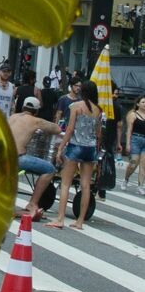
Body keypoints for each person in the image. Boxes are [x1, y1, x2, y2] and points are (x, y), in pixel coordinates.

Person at [49, 80, 102, 230]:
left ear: (82, 91)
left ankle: (60, 218)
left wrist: (61, 147)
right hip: (90, 148)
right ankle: (80, 221)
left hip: (75, 146)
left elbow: (70, 129)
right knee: (86, 185)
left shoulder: (75, 106)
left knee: (66, 183)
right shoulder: (98, 110)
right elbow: (98, 133)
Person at [12, 98, 63, 218]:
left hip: (3, 157)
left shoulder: (12, 117)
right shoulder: (36, 121)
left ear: (23, 107)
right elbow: (58, 129)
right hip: (18, 159)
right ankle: (32, 204)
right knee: (50, 169)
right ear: (36, 111)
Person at [120, 94, 145, 192]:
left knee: (143, 165)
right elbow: (129, 130)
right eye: (143, 102)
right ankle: (126, 179)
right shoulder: (133, 114)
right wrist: (128, 144)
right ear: (138, 104)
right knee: (133, 163)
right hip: (135, 139)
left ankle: (140, 185)